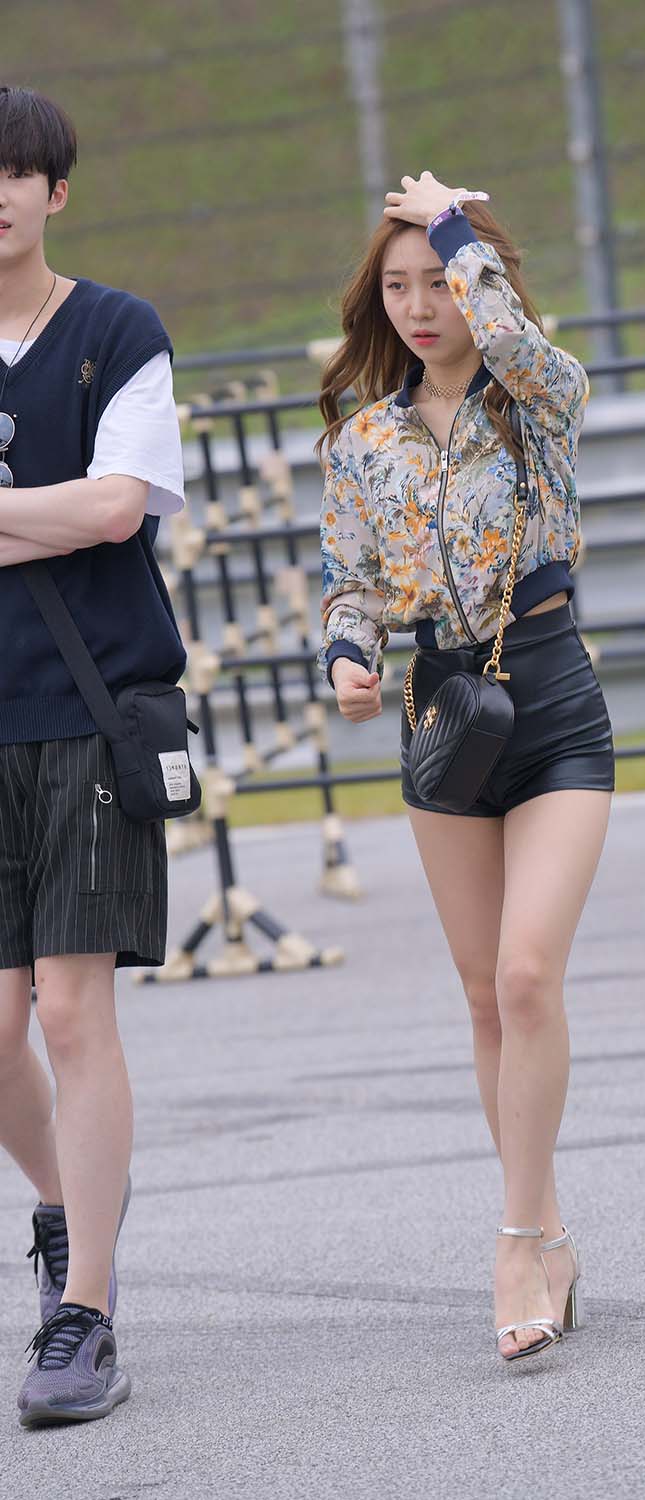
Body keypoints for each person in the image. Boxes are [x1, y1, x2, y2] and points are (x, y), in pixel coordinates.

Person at [318, 171, 614, 1362]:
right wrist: (349, 653)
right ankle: (549, 1230)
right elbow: (351, 581)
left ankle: (511, 1244)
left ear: (477, 282)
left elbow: (522, 348)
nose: (419, 306)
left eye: (438, 282)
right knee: (486, 995)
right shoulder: (363, 441)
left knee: (529, 974)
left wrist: (453, 226)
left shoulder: (536, 399)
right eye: (398, 287)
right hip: (442, 711)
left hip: (551, 700)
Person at [0, 86, 186, 1424]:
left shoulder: (117, 332)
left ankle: (86, 1315)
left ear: (55, 191)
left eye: (17, 172)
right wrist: (42, 515)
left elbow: (120, 506)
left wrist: (54, 514)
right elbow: (81, 513)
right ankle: (70, 1210)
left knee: (72, 1013)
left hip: (86, 710)